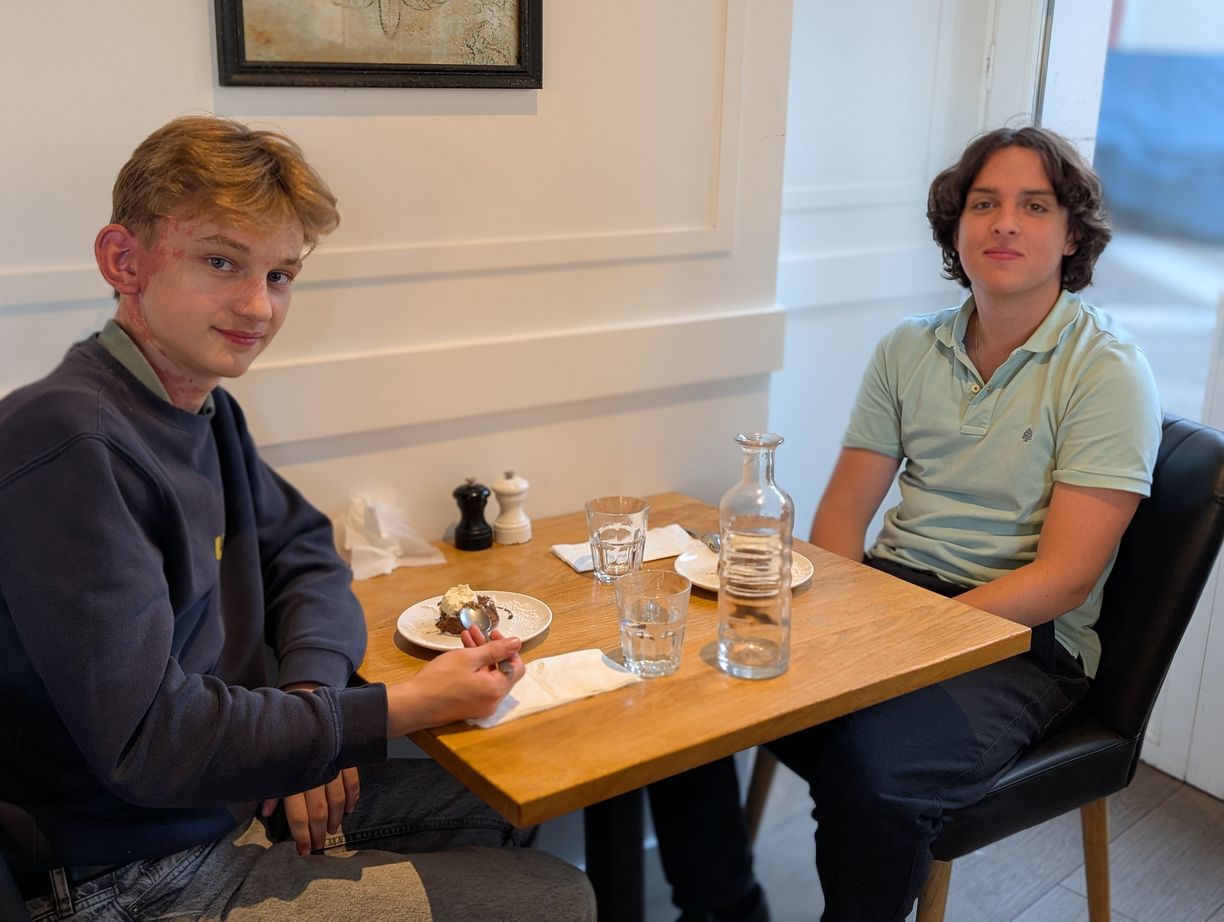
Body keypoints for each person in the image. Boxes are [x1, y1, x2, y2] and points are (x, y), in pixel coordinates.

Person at [0, 115, 595, 921]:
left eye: (280, 275)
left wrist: (313, 701)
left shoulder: (203, 409)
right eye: (221, 262)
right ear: (124, 261)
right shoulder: (67, 443)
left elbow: (307, 550)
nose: (258, 306)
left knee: (510, 801)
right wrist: (390, 712)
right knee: (554, 900)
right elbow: (150, 741)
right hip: (129, 874)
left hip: (227, 798)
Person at [647, 125, 1162, 922]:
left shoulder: (1108, 371)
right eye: (984, 204)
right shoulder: (908, 349)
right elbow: (843, 514)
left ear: (1071, 236)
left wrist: (907, 639)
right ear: (956, 227)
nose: (1005, 224)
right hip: (891, 597)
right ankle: (724, 909)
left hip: (1023, 640)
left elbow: (1065, 578)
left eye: (1034, 206)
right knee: (683, 693)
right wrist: (842, 618)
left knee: (874, 777)